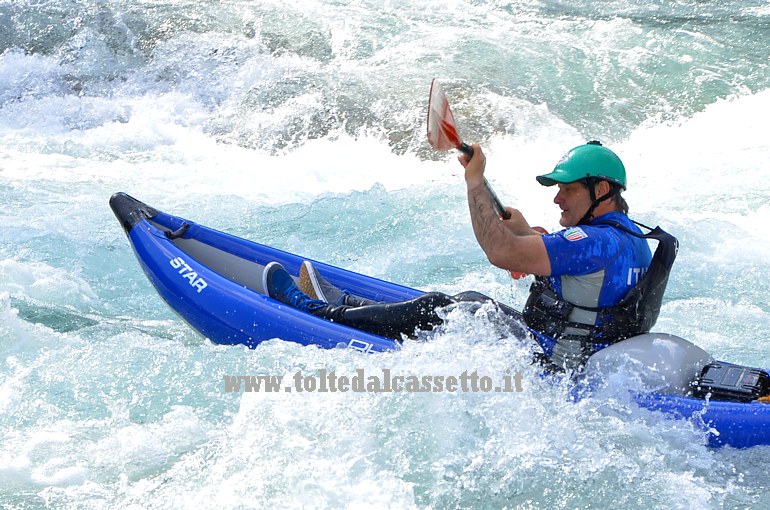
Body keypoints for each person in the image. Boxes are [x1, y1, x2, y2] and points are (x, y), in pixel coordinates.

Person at [263, 141, 674, 370]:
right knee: (473, 304)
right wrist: (520, 228)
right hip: (575, 350)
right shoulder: (627, 236)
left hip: (556, 362)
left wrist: (474, 182)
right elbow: (536, 252)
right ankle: (350, 305)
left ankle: (317, 315)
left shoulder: (595, 241)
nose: (558, 197)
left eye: (569, 189)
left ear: (601, 190)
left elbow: (501, 252)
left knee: (447, 309)